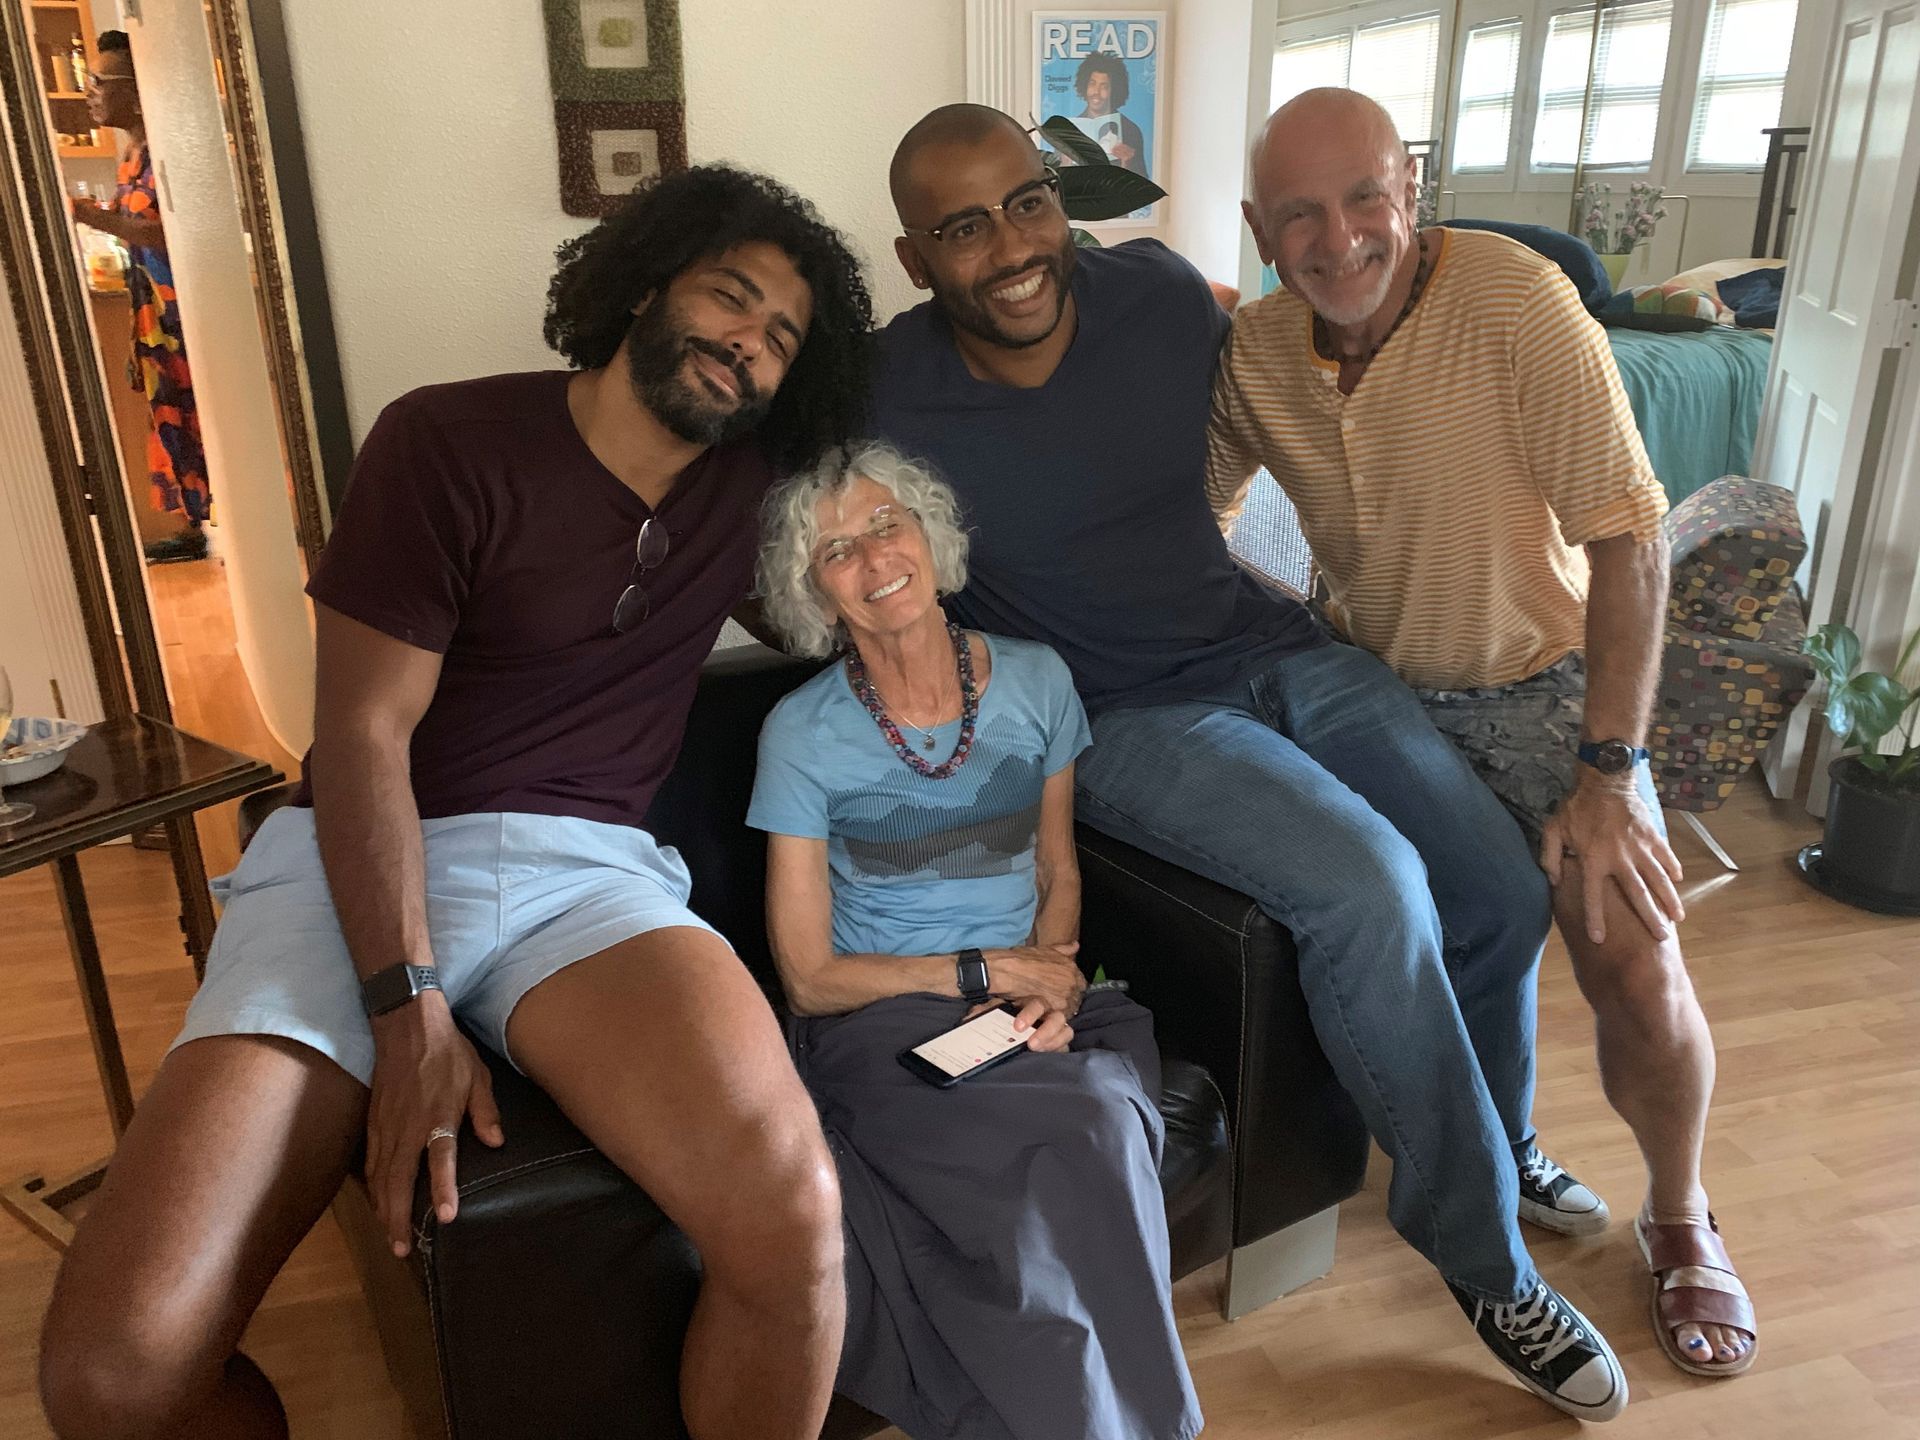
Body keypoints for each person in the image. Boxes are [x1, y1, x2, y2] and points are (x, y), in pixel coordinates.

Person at [38, 165, 875, 1440]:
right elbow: (364, 732)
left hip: (588, 879)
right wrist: (408, 1006)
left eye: (780, 339)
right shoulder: (446, 440)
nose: (748, 345)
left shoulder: (747, 495)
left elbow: (853, 591)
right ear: (648, 285)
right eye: (731, 297)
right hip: (357, 863)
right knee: (116, 1377)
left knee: (796, 1227)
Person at [869, 102, 1627, 1422]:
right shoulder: (881, 388)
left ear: (1062, 203)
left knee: (1500, 890)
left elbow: (1290, 384)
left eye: (1029, 203)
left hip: (1282, 650)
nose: (1010, 247)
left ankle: (1498, 1146)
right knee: (1371, 886)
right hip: (1124, 717)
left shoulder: (1161, 295)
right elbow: (766, 529)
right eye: (963, 227)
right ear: (914, 258)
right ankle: (1483, 1259)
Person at [1208, 87, 1756, 1379]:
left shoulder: (1515, 301)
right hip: (1376, 693)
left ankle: (1680, 1214)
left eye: (1364, 199)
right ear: (1257, 228)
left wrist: (1612, 772)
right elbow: (1193, 513)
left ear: (1413, 190)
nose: (1337, 238)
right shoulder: (1259, 355)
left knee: (1630, 953)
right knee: (1463, 927)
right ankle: (1496, 1149)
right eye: (1298, 215)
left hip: (1546, 685)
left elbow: (1628, 536)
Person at [748, 443, 1202, 1440]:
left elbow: (1057, 868)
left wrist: (1051, 986)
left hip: (1034, 998)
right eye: (836, 552)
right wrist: (985, 972)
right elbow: (810, 977)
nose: (873, 560)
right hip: (881, 1022)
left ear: (931, 540)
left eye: (885, 526)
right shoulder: (800, 734)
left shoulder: (1038, 683)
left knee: (1070, 1151)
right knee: (1089, 1121)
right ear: (815, 594)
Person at [70, 30, 210, 562]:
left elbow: (167, 230)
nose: (90, 92)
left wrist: (86, 214)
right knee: (167, 416)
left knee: (196, 414)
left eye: (98, 81)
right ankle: (193, 527)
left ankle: (221, 522)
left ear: (135, 87)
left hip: (183, 312)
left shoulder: (172, 151)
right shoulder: (133, 154)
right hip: (151, 311)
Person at [1072, 52, 1147, 175]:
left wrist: (1128, 164)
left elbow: (1143, 188)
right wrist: (1064, 162)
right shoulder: (1070, 129)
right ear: (1084, 86)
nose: (1096, 92)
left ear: (1114, 90)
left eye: (1104, 86)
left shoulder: (1131, 131)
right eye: (1092, 83)